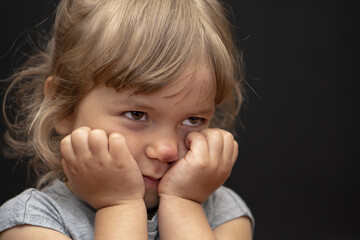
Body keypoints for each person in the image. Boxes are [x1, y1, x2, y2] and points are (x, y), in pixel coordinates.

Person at [0, 0, 254, 239]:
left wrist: (183, 205)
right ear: (62, 107)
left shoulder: (225, 215)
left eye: (193, 120)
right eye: (137, 115)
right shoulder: (31, 224)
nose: (166, 149)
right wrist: (119, 205)